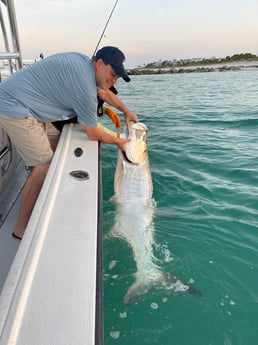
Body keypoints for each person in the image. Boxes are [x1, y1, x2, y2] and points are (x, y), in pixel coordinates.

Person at [0, 46, 138, 240]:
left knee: (56, 141)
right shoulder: (85, 90)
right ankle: (20, 229)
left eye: (117, 78)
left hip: (29, 105)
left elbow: (105, 93)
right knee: (43, 165)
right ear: (99, 64)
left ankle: (44, 194)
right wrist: (119, 142)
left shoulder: (84, 63)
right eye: (113, 74)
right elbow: (92, 132)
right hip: (14, 107)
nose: (114, 81)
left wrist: (126, 111)